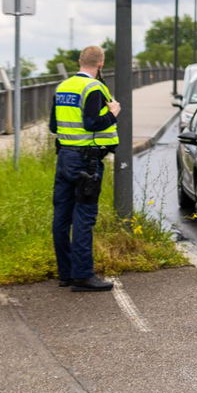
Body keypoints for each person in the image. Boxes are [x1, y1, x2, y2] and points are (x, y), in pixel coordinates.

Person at [49, 45, 121, 292]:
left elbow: (53, 125)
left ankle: (66, 273)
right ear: (100, 64)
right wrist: (113, 113)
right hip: (87, 161)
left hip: (65, 158)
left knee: (62, 215)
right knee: (84, 217)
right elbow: (93, 123)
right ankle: (83, 276)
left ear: (80, 61)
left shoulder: (63, 87)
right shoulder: (93, 88)